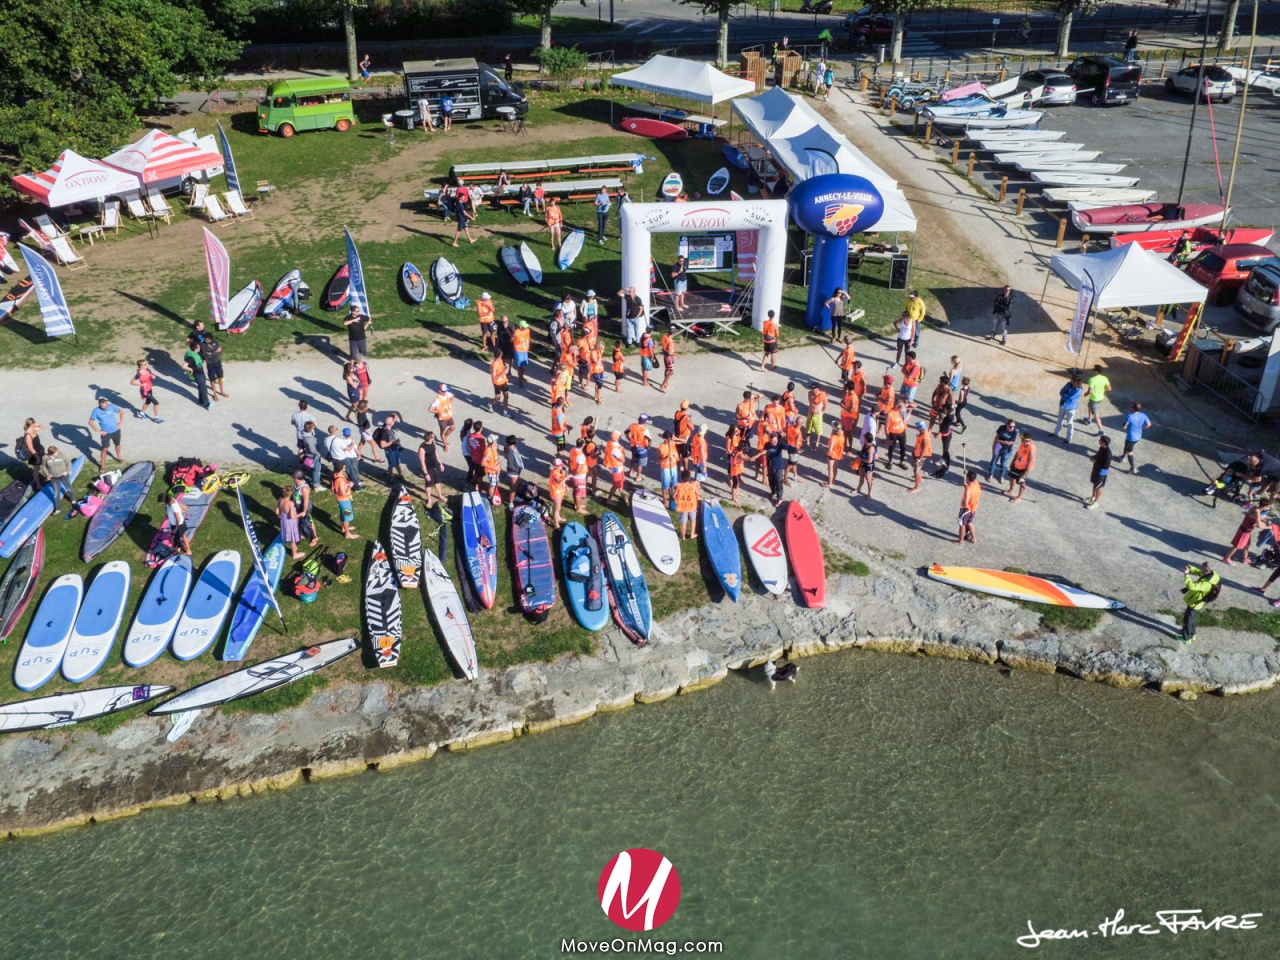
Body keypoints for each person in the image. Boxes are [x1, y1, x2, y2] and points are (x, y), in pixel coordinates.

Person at [1180, 562, 1220, 643]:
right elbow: (1199, 572)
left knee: (1187, 620)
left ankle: (1187, 638)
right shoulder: (1211, 575)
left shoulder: (1207, 583)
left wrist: (1186, 575)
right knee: (1192, 618)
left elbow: (1191, 586)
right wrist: (1190, 568)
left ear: (1206, 570)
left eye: (1201, 567)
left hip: (1195, 602)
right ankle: (1192, 634)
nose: (1200, 569)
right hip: (1197, 602)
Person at [1224, 499, 1268, 565]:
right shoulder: (1257, 512)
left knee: (1246, 545)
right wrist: (1268, 527)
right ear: (1264, 506)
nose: (1268, 508)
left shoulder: (1255, 508)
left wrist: (1265, 520)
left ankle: (1245, 558)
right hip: (1244, 531)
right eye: (1268, 506)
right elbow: (1259, 526)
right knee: (1236, 546)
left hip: (1245, 530)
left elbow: (1258, 517)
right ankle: (1227, 558)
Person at [417, 432, 449, 514]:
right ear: (429, 438)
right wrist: (426, 473)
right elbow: (422, 462)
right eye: (433, 437)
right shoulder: (422, 448)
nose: (434, 438)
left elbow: (435, 453)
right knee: (429, 484)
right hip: (428, 468)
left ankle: (440, 495)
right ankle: (429, 500)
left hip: (436, 465)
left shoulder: (433, 443)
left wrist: (441, 463)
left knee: (437, 481)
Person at [89, 396, 123, 471]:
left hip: (116, 430)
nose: (104, 407)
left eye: (105, 405)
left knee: (117, 444)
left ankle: (119, 457)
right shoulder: (96, 411)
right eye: (102, 406)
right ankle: (103, 466)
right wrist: (98, 431)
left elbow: (121, 412)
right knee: (104, 449)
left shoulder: (111, 406)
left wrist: (120, 422)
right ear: (99, 405)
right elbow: (91, 422)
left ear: (106, 403)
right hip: (105, 433)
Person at [1054, 374, 1085, 444]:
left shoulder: (1078, 390)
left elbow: (1070, 398)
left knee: (1069, 422)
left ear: (1074, 381)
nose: (1070, 380)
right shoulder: (1069, 384)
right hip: (1063, 404)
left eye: (1071, 379)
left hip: (1070, 407)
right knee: (1060, 419)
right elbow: (1061, 391)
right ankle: (1056, 432)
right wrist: (1065, 395)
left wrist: (1064, 395)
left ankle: (1068, 438)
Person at [1006, 432, 1036, 504]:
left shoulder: (1031, 449)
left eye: (1022, 438)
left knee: (1022, 483)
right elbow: (1018, 453)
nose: (1020, 439)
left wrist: (1025, 474)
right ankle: (1011, 489)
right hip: (1016, 464)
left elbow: (1030, 462)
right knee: (1012, 477)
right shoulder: (1023, 443)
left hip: (1023, 469)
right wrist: (1013, 461)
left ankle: (1019, 497)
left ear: (1026, 440)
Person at [1122, 402, 1151, 472]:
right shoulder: (1143, 415)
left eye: (1132, 407)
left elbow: (1124, 427)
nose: (1131, 408)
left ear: (1134, 409)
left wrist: (1124, 425)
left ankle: (1133, 467)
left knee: (1130, 452)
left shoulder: (1129, 416)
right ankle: (1122, 457)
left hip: (1131, 437)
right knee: (1126, 444)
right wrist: (1142, 428)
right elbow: (1149, 424)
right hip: (1138, 436)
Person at [331, 463, 358, 538]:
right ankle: (347, 533)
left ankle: (344, 527)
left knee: (343, 515)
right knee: (347, 517)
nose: (345, 468)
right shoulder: (341, 481)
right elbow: (343, 493)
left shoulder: (337, 475)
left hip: (341, 500)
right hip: (344, 500)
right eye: (344, 467)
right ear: (341, 469)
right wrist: (350, 486)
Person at [374, 414, 404, 479]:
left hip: (395, 448)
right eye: (393, 421)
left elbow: (396, 418)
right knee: (391, 465)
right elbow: (382, 444)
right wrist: (393, 442)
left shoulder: (387, 426)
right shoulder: (384, 432)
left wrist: (394, 417)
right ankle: (391, 477)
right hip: (390, 450)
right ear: (390, 423)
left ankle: (399, 475)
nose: (394, 422)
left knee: (397, 462)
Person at [674, 469, 701, 540]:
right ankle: (692, 534)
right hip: (692, 506)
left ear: (682, 478)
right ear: (689, 478)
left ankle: (683, 536)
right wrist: (697, 486)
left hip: (683, 506)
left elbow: (674, 495)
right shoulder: (692, 486)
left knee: (683, 522)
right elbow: (698, 493)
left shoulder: (679, 485)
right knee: (693, 520)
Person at [1086, 435, 1112, 509]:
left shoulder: (1108, 453)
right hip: (1096, 469)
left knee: (1099, 487)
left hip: (1101, 472)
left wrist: (1096, 461)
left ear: (1104, 443)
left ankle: (1096, 503)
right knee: (1094, 484)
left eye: (1100, 440)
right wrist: (1093, 457)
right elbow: (1098, 455)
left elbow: (1106, 465)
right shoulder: (1101, 448)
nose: (1099, 441)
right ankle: (1093, 498)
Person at [989, 419, 1017, 484]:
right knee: (993, 461)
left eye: (1013, 426)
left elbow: (1009, 443)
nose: (1012, 428)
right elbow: (996, 437)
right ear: (1007, 425)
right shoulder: (1002, 428)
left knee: (1003, 464)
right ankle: (990, 475)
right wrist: (993, 446)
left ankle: (1001, 476)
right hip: (998, 447)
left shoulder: (1014, 432)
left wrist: (1000, 441)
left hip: (1006, 449)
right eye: (1010, 426)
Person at [956, 469, 981, 544]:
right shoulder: (976, 483)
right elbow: (969, 483)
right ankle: (974, 538)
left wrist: (962, 502)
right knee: (970, 522)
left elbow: (965, 503)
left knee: (962, 524)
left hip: (966, 509)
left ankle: (961, 541)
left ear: (968, 478)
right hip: (973, 508)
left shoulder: (968, 489)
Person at [429, 383, 456, 450]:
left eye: (446, 390)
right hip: (442, 419)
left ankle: (445, 437)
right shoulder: (437, 399)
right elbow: (430, 409)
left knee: (453, 427)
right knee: (442, 432)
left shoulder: (447, 394)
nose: (445, 392)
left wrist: (449, 403)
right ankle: (445, 444)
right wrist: (438, 411)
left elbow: (453, 396)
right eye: (444, 391)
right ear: (440, 391)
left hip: (449, 416)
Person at [907, 420, 932, 493]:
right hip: (917, 453)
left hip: (921, 456)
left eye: (917, 427)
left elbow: (924, 450)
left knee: (916, 470)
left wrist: (919, 459)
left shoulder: (925, 438)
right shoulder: (922, 432)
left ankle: (917, 487)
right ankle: (919, 479)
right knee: (915, 467)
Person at [1085, 364, 1111, 435]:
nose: (1092, 371)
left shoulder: (1092, 379)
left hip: (1094, 399)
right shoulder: (1105, 378)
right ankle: (1089, 419)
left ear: (1096, 371)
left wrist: (1085, 394)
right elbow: (1109, 388)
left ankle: (1101, 430)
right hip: (1100, 398)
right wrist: (1102, 390)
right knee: (1089, 405)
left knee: (1095, 414)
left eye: (1093, 370)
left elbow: (1090, 391)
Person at [183, 344, 210, 410]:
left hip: (201, 373)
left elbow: (202, 360)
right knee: (203, 388)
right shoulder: (191, 357)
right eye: (199, 347)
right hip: (197, 374)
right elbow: (184, 366)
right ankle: (207, 404)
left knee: (201, 387)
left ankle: (200, 401)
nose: (200, 347)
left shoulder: (197, 354)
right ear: (196, 348)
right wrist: (190, 369)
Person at [19, 418, 44, 489]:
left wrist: (38, 424)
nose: (35, 424)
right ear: (31, 424)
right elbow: (30, 447)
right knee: (36, 469)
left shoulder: (33, 429)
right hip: (34, 454)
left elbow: (43, 428)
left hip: (38, 450)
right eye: (34, 423)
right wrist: (37, 457)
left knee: (40, 466)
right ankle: (38, 484)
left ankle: (40, 479)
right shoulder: (28, 435)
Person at [278, 490, 302, 559]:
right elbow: (292, 516)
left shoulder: (280, 500)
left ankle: (294, 548)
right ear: (290, 494)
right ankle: (295, 554)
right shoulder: (290, 503)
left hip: (283, 521)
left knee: (290, 537)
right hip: (291, 523)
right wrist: (301, 514)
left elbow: (277, 512)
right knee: (293, 539)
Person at [854, 431, 878, 499]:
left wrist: (860, 458)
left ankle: (869, 494)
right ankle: (858, 489)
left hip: (868, 465)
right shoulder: (865, 444)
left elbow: (869, 461)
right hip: (862, 463)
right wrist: (859, 454)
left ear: (867, 439)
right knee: (861, 476)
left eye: (865, 437)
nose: (863, 438)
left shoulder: (871, 448)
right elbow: (862, 451)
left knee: (868, 480)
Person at [884, 401, 908, 469]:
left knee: (903, 447)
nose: (903, 408)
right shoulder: (890, 414)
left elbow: (906, 418)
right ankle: (890, 461)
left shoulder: (902, 411)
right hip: (893, 433)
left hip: (902, 431)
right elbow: (886, 427)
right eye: (901, 407)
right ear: (898, 407)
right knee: (892, 448)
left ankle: (901, 462)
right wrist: (888, 438)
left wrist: (908, 411)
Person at [548, 458, 568, 529]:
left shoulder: (560, 471)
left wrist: (566, 486)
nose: (562, 466)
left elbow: (562, 481)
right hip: (556, 493)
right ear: (555, 466)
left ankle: (558, 517)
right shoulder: (554, 474)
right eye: (560, 465)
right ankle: (556, 525)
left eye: (562, 465)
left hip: (560, 491)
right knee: (557, 509)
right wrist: (568, 477)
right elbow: (560, 481)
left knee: (559, 507)